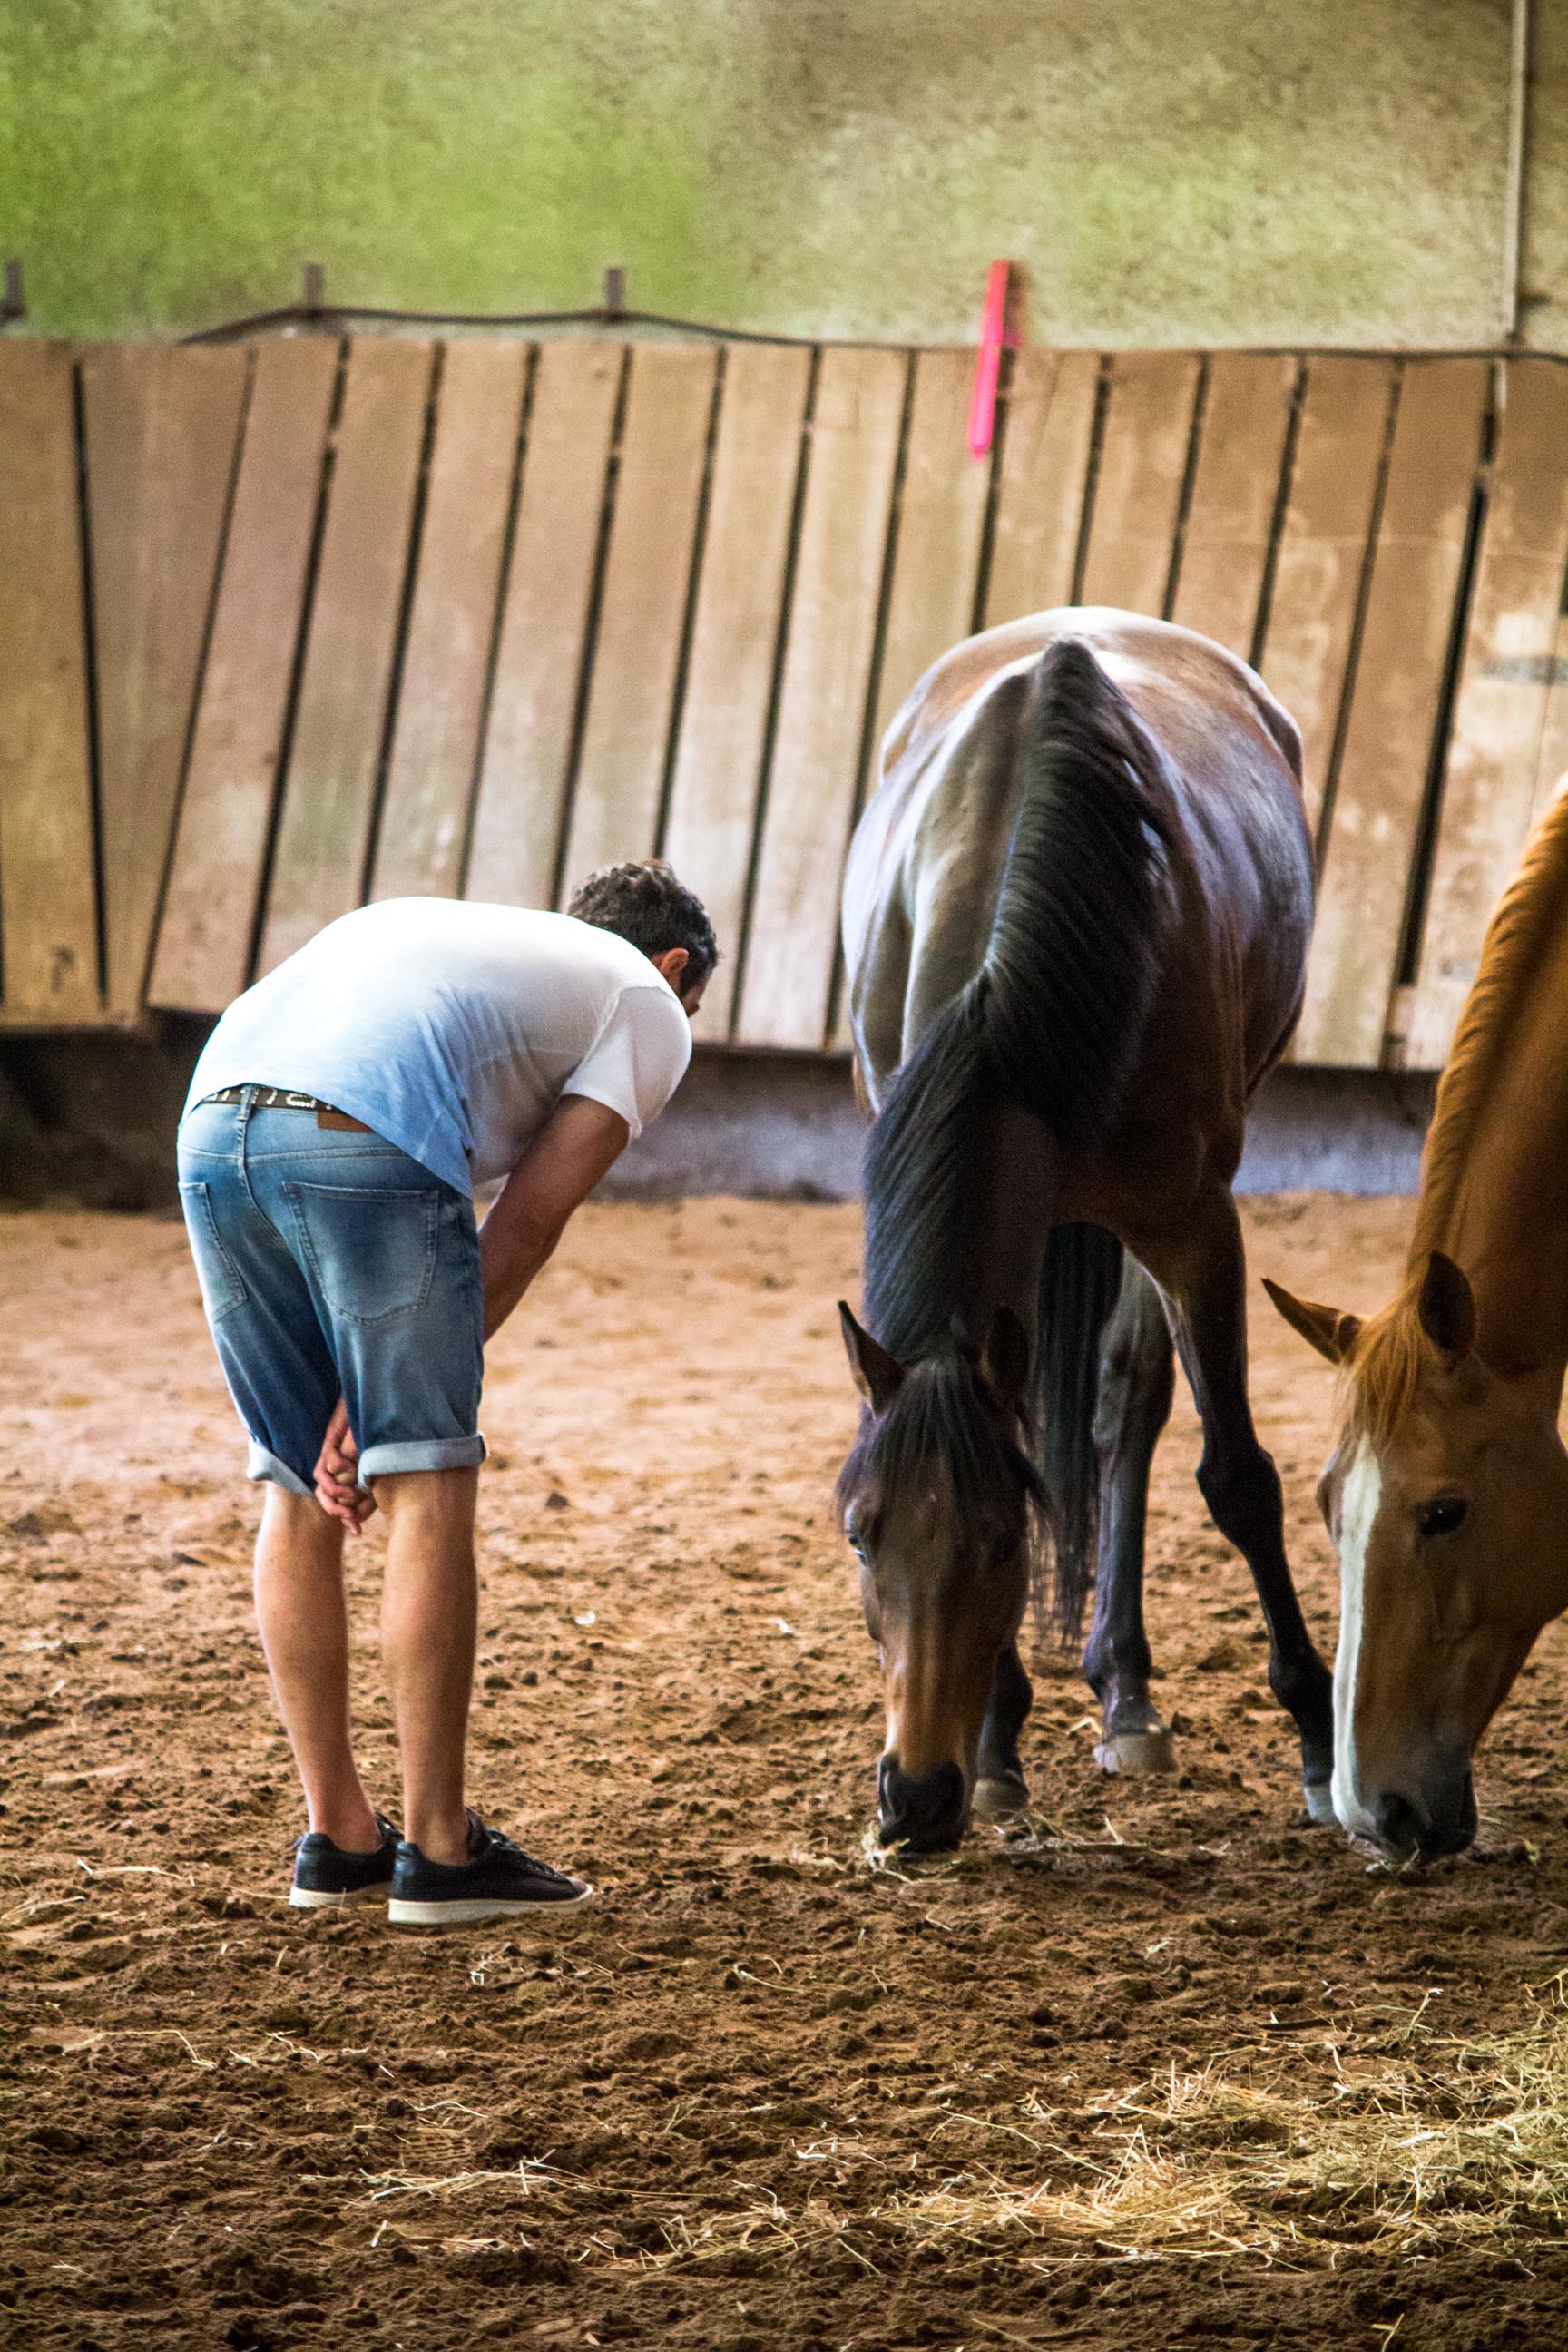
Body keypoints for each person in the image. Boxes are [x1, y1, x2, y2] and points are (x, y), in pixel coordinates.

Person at [176, 861, 715, 1927]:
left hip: (209, 1127)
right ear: (676, 965)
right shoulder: (646, 1002)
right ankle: (440, 1851)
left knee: (293, 1487)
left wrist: (357, 1403)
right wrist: (388, 1413)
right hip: (363, 1138)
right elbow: (527, 1221)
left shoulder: (462, 941)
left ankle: (338, 1838)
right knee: (425, 1476)